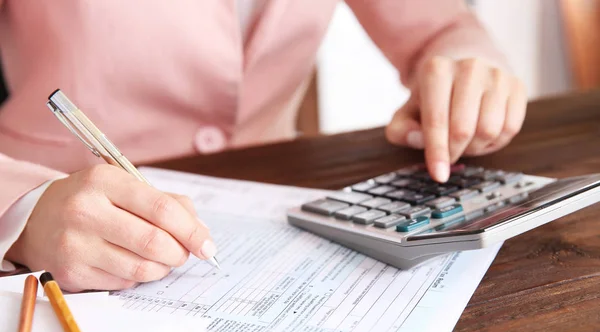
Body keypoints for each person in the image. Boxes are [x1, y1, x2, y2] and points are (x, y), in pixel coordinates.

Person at [0, 1, 527, 292]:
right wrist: (23, 211)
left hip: (274, 210)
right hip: (50, 233)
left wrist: (466, 66)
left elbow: (441, 27)